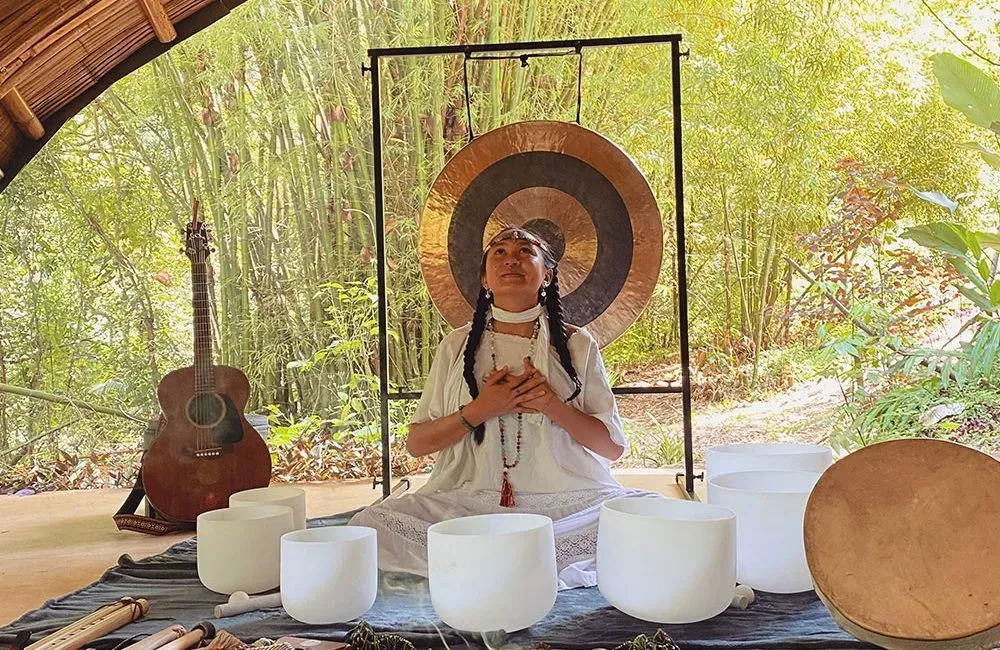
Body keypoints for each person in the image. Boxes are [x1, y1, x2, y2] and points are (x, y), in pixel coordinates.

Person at [348, 226, 660, 589]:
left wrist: (551, 404)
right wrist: (481, 409)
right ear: (484, 278)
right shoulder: (456, 346)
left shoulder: (577, 345)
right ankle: (518, 560)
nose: (511, 258)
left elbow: (612, 447)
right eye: (499, 252)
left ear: (548, 274)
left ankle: (494, 562)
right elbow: (417, 444)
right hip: (470, 504)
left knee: (652, 514)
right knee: (370, 524)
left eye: (526, 251)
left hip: (566, 505)